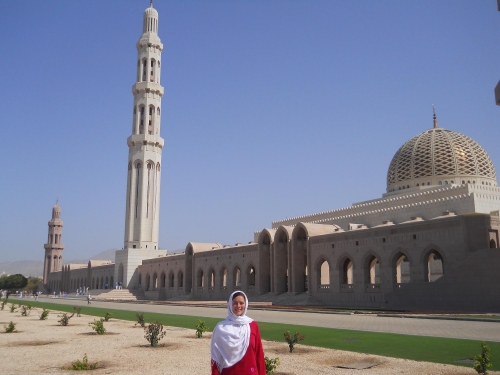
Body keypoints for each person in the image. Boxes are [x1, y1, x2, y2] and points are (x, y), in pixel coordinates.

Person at [210, 291, 265, 375]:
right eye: (235, 303)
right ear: (230, 304)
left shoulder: (253, 326)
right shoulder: (221, 328)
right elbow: (216, 358)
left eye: (241, 303)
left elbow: (259, 355)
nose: (238, 306)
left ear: (245, 304)